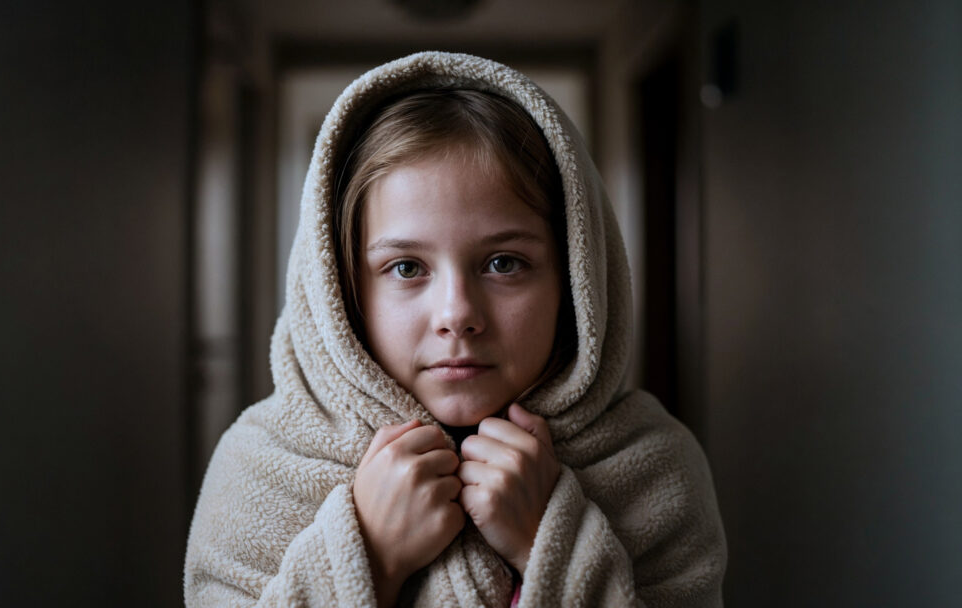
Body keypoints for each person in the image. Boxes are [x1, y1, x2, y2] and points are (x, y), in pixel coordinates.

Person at [184, 52, 726, 607]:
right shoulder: (261, 467)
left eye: (504, 263)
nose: (457, 313)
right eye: (406, 268)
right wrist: (369, 557)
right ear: (343, 291)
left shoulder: (655, 467)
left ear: (576, 277)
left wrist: (551, 544)